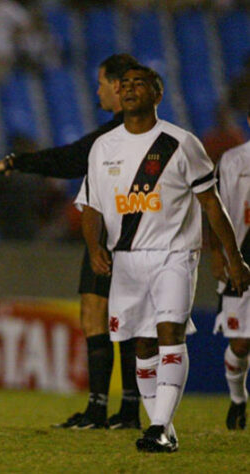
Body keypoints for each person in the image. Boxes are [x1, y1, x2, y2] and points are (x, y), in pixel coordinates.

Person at [77, 64, 250, 452]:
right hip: (126, 259)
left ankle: (158, 425)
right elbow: (91, 205)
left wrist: (232, 257)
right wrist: (93, 247)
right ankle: (162, 429)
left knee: (169, 334)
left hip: (174, 254)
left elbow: (212, 204)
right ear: (118, 96)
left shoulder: (181, 143)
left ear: (158, 95)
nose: (130, 89)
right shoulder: (103, 147)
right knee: (142, 346)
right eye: (126, 84)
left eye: (142, 84)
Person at [0, 53, 141, 429]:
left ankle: (118, 408)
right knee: (102, 314)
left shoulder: (127, 135)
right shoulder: (121, 131)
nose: (97, 90)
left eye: (100, 83)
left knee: (116, 317)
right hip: (108, 235)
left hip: (128, 237)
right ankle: (111, 408)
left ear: (117, 86)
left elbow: (70, 160)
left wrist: (18, 162)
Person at [210, 106, 250, 430]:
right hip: (241, 261)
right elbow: (214, 207)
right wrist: (217, 252)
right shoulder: (233, 160)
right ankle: (238, 399)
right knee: (240, 344)